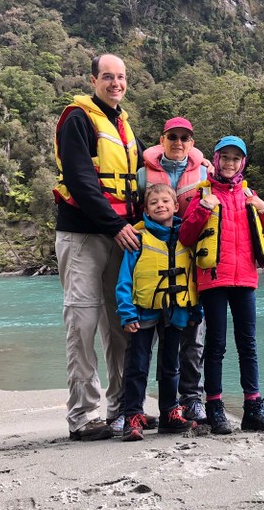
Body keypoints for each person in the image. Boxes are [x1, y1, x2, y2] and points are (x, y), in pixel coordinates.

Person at [53, 53, 144, 441]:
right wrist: (115, 224)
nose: (115, 83)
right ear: (93, 80)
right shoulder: (78, 118)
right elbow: (80, 179)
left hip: (119, 234)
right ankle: (83, 416)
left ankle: (123, 408)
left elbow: (147, 167)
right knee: (83, 323)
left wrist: (196, 159)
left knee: (120, 324)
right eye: (108, 77)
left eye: (121, 77)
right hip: (84, 235)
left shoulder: (122, 123)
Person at [178, 135, 264, 435]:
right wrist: (203, 209)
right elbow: (186, 236)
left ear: (243, 163)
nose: (229, 163)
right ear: (217, 158)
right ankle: (215, 409)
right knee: (216, 346)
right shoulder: (203, 194)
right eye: (225, 157)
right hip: (214, 280)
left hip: (245, 279)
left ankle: (253, 409)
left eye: (236, 158)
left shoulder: (249, 194)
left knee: (248, 345)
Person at [115, 182, 203, 440]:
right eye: (154, 203)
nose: (160, 206)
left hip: (176, 310)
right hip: (143, 312)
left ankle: (169, 413)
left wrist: (196, 308)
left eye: (165, 202)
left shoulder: (185, 236)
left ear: (176, 206)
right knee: (137, 365)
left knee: (171, 365)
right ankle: (133, 415)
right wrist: (127, 313)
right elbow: (124, 280)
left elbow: (193, 276)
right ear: (146, 209)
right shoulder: (138, 238)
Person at [138, 117, 208, 425]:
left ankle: (191, 400)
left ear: (192, 142)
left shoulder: (207, 172)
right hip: (153, 262)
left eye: (184, 138)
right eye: (172, 137)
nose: (178, 142)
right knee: (144, 345)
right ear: (162, 139)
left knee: (192, 337)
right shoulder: (143, 176)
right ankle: (136, 409)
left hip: (191, 262)